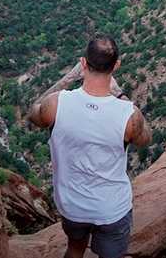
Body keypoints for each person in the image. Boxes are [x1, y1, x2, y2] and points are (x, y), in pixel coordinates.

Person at [28, 35, 152, 258]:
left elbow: (33, 111)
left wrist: (68, 78)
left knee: (74, 249)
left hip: (72, 204)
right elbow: (146, 138)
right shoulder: (129, 115)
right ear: (116, 66)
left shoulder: (55, 104)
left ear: (83, 63)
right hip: (112, 209)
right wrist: (120, 94)